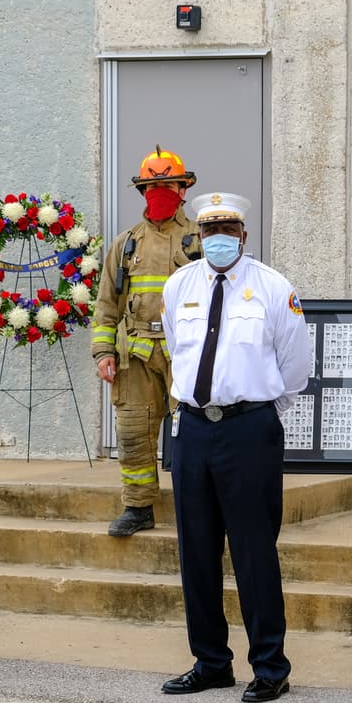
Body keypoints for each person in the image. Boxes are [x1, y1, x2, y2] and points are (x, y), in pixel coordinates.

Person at [158, 192, 311, 703]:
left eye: (228, 229)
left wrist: (259, 415)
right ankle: (210, 662)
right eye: (209, 231)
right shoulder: (179, 285)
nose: (218, 239)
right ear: (197, 237)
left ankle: (269, 666)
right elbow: (175, 350)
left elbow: (293, 367)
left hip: (248, 430)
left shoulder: (272, 287)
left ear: (243, 235)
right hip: (192, 429)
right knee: (195, 552)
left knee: (252, 552)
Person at [93, 145, 201, 537]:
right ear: (142, 191)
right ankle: (138, 508)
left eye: (168, 185)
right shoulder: (125, 245)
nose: (161, 192)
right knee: (133, 433)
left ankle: (198, 507)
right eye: (153, 186)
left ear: (183, 189)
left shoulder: (199, 240)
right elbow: (106, 305)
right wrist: (103, 351)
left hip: (187, 356)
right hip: (135, 355)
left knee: (194, 433)